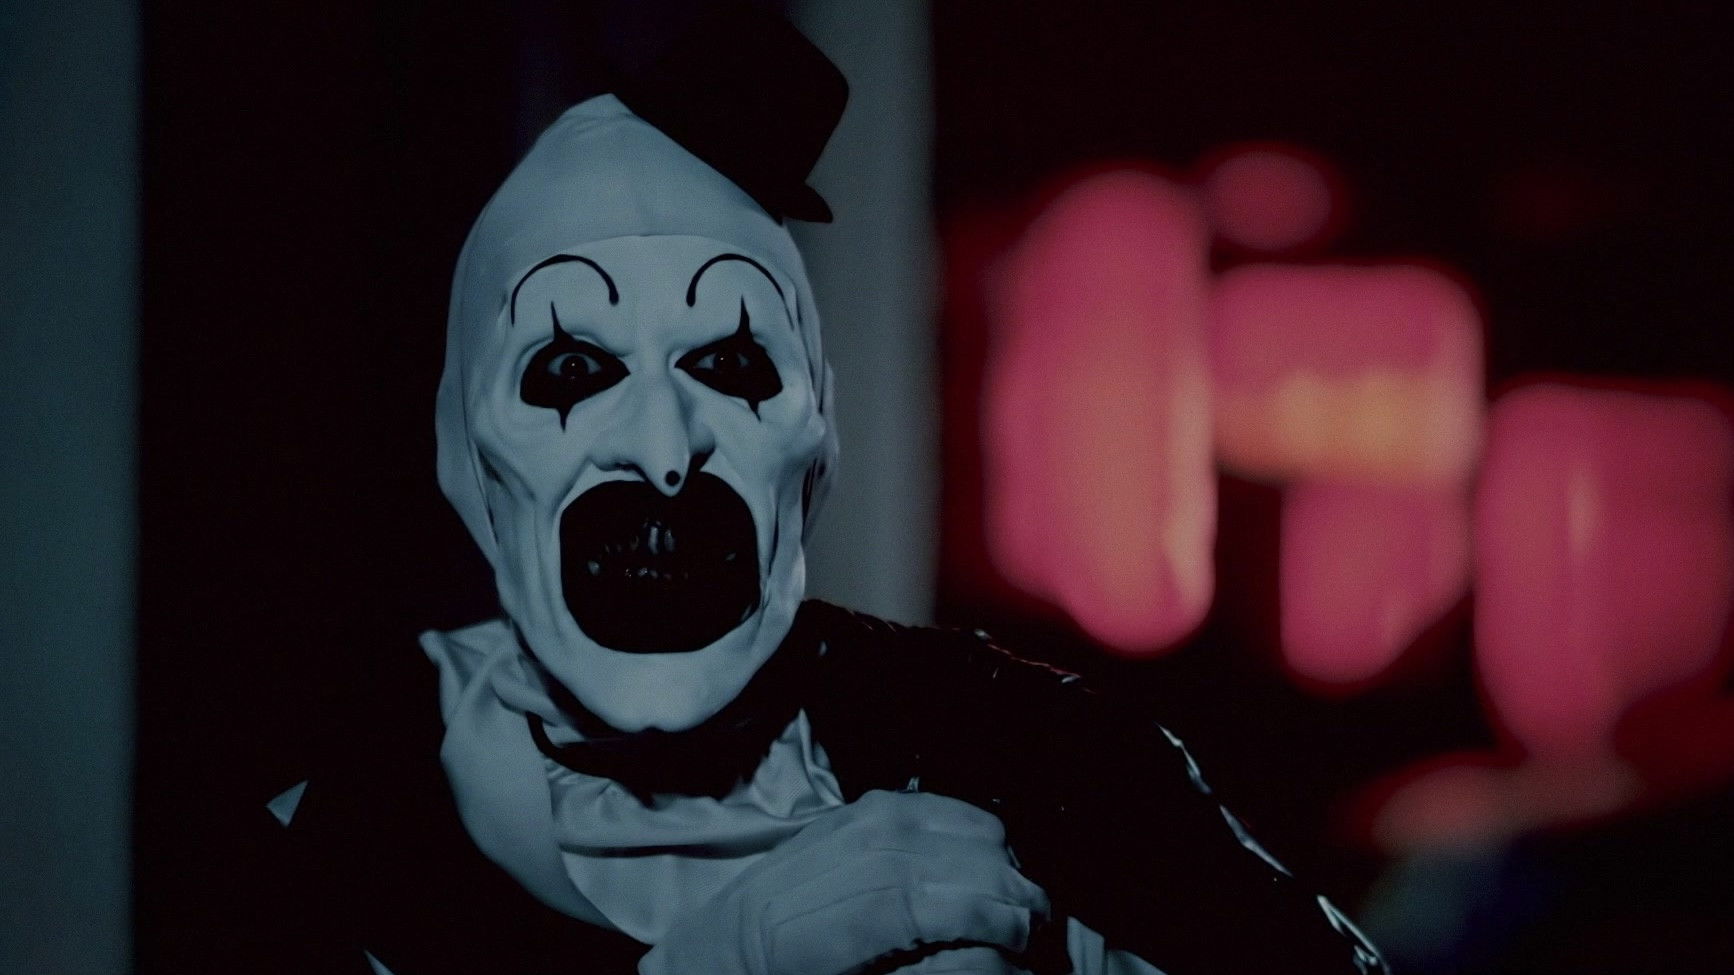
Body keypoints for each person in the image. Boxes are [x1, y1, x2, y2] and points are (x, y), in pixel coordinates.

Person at [276, 7, 1387, 973]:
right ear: (467, 444)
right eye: (573, 369)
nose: (663, 451)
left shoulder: (1037, 756)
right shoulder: (341, 821)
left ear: (814, 436)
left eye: (730, 364)